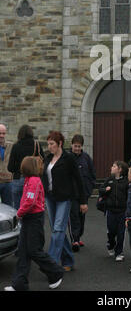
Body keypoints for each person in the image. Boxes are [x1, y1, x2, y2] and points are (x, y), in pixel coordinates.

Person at [4, 156, 64, 291]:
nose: (21, 168)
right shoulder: (28, 180)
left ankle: (55, 272)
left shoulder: (34, 181)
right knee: (23, 252)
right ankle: (19, 284)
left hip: (34, 219)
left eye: (23, 166)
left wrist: (19, 213)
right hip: (28, 219)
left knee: (34, 251)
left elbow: (29, 202)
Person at [42, 131, 88, 272]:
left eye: (52, 144)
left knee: (57, 230)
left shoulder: (68, 159)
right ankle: (68, 260)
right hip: (50, 198)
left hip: (64, 199)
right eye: (48, 144)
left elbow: (79, 180)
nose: (49, 147)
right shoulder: (47, 158)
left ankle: (51, 264)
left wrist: (83, 201)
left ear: (60, 143)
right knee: (59, 231)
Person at [68, 134, 96, 251]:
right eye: (75, 146)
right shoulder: (67, 157)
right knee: (73, 215)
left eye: (79, 146)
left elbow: (92, 174)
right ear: (71, 145)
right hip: (72, 194)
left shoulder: (86, 158)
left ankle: (78, 236)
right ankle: (74, 239)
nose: (77, 148)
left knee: (81, 216)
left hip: (84, 194)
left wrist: (89, 189)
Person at [8, 124, 44, 210]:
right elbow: (43, 161)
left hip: (18, 179)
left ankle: (18, 223)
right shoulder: (36, 145)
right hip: (33, 180)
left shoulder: (16, 146)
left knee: (17, 208)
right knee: (33, 206)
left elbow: (10, 167)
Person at [99, 161, 129, 262]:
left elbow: (129, 195)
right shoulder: (109, 179)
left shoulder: (126, 181)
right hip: (110, 211)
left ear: (120, 169)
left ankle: (119, 252)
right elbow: (100, 189)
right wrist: (105, 190)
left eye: (114, 166)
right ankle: (111, 244)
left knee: (121, 233)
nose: (111, 167)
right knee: (111, 231)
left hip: (122, 211)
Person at [0, 123, 13, 206]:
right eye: (0, 133)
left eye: (3, 133)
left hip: (7, 182)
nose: (1, 135)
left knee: (8, 208)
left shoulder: (11, 146)